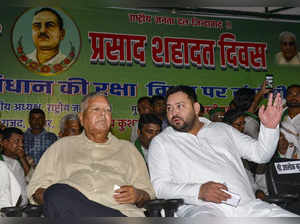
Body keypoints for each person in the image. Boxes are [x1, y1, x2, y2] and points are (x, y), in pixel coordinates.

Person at [148, 85, 298, 217]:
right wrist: (198, 191)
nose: (174, 112)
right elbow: (160, 188)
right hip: (199, 209)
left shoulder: (222, 129)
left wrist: (270, 128)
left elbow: (261, 155)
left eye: (180, 106)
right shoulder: (161, 142)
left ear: (196, 108)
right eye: (169, 108)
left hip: (246, 208)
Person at [27, 92, 155, 219]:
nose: (103, 114)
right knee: (56, 193)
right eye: (96, 109)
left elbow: (148, 193)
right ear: (81, 117)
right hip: (70, 213)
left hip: (121, 213)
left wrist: (138, 195)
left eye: (107, 110)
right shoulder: (61, 146)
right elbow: (36, 189)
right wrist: (57, 201)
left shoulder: (128, 149)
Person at [23, 7, 73, 73]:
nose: (42, 30)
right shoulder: (22, 62)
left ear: (62, 34)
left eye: (50, 25)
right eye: (37, 26)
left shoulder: (70, 65)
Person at [1, 128, 29, 206]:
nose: (21, 145)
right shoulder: (1, 162)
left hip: (23, 209)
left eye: (22, 141)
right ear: (5, 143)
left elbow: (32, 180)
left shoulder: (22, 161)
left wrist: (22, 158)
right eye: (17, 141)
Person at [280, 84, 300, 151]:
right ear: (286, 97)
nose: (294, 97)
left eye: (298, 94)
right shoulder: (278, 115)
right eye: (290, 94)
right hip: (280, 159)